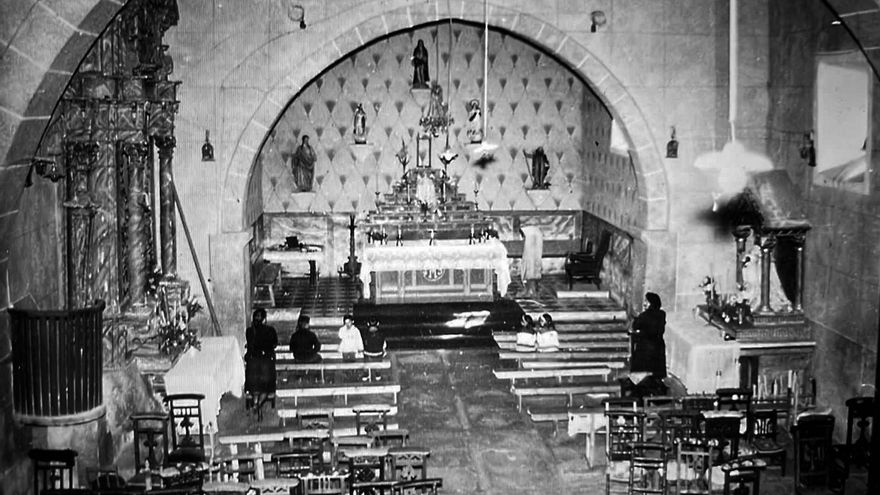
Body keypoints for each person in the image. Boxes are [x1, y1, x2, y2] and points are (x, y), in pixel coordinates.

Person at [244, 308, 278, 420]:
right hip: (266, 363)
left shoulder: (249, 331)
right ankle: (259, 404)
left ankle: (255, 402)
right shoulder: (270, 330)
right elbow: (274, 344)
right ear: (264, 319)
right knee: (266, 386)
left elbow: (249, 345)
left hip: (252, 364)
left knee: (254, 385)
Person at [630, 292, 667, 379]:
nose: (644, 303)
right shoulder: (662, 314)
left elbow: (635, 326)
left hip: (645, 346)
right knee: (656, 372)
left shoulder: (644, 315)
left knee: (643, 371)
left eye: (647, 301)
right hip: (658, 345)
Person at [516, 217, 544, 299]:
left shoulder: (533, 234)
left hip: (533, 254)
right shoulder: (531, 233)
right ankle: (528, 289)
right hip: (530, 253)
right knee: (528, 267)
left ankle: (532, 290)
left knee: (532, 268)